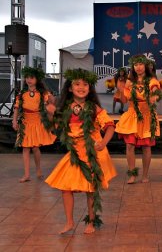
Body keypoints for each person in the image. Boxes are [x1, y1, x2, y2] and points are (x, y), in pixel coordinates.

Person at [45, 68, 117, 234]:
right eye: (77, 84)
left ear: (90, 89)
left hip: (92, 152)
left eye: (85, 84)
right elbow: (56, 126)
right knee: (65, 187)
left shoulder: (94, 108)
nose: (81, 87)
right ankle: (69, 222)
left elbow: (110, 126)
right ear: (70, 88)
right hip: (75, 153)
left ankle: (91, 222)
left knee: (90, 188)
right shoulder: (65, 108)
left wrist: (104, 142)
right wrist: (50, 112)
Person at [115, 55, 161, 184]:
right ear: (133, 67)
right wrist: (121, 89)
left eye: (140, 64)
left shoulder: (151, 80)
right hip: (132, 115)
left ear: (145, 66)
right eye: (135, 65)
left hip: (146, 116)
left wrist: (154, 96)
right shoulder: (130, 82)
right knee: (130, 145)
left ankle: (145, 175)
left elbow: (155, 90)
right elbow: (124, 100)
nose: (138, 67)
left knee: (146, 147)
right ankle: (132, 174)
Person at [12, 67, 56, 183]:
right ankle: (26, 174)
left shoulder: (42, 94)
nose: (29, 80)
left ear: (37, 79)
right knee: (25, 148)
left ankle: (38, 169)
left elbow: (51, 104)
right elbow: (16, 109)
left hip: (37, 122)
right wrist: (14, 121)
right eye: (27, 78)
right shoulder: (22, 94)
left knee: (35, 147)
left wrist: (50, 100)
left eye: (32, 78)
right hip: (25, 122)